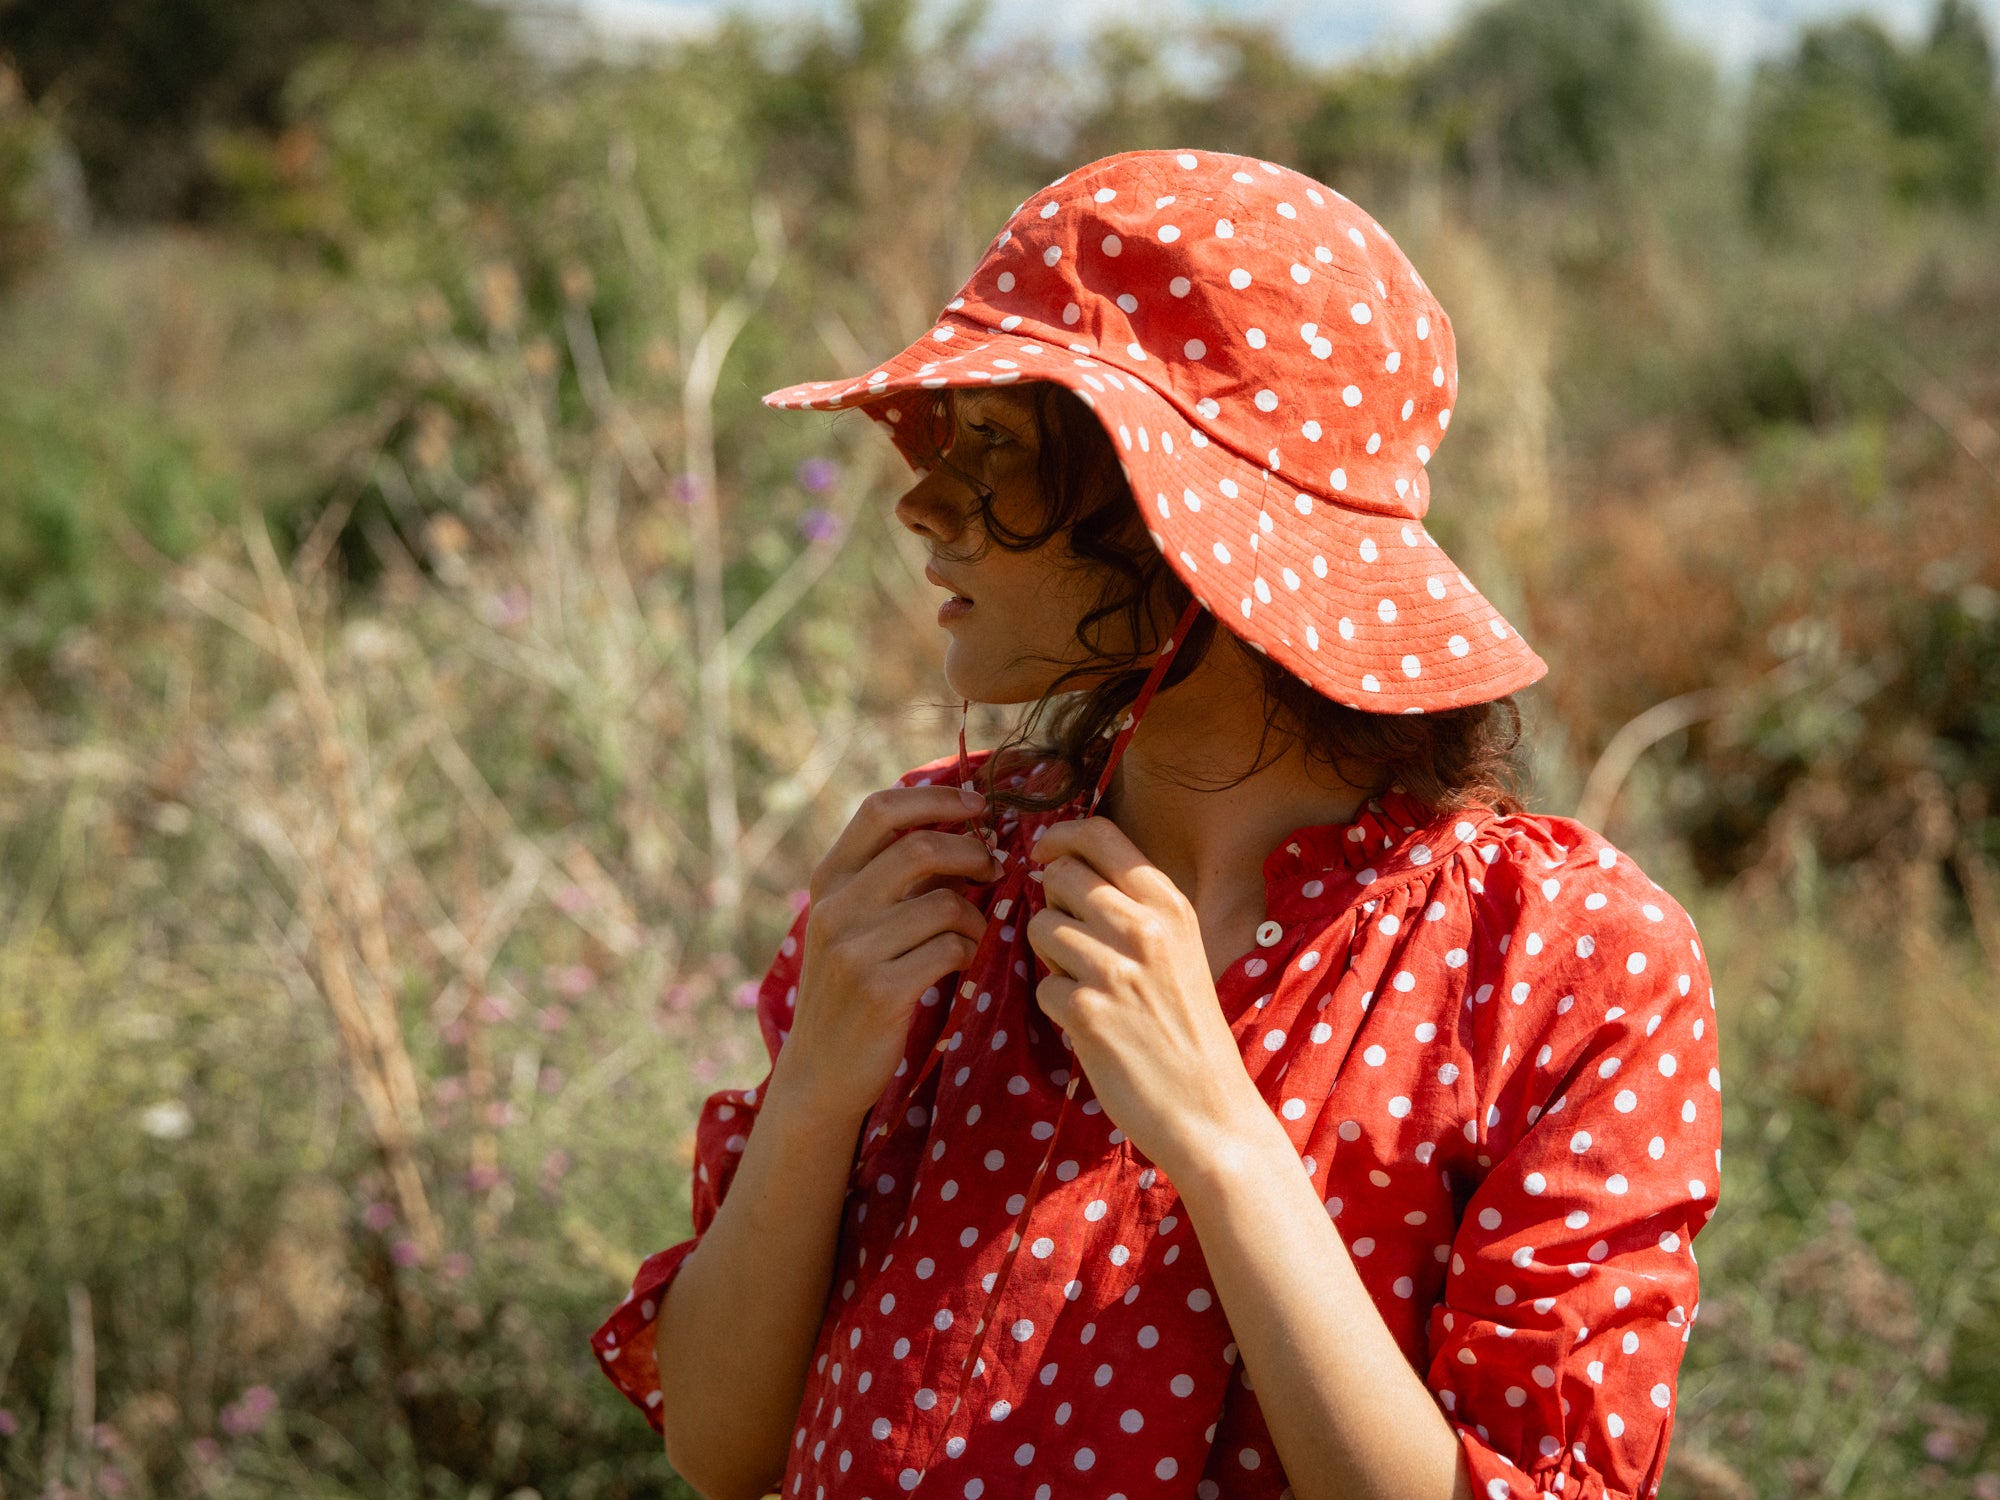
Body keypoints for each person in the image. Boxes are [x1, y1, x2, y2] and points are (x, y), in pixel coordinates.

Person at [592, 148, 1721, 1500]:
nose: (922, 504)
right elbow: (723, 1448)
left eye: (997, 446)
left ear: (1181, 512)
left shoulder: (1554, 962)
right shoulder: (933, 878)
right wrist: (822, 1083)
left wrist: (1218, 1138)